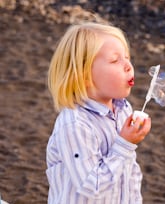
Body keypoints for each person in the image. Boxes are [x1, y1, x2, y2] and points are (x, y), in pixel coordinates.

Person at [46, 21, 151, 203]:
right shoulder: (75, 125)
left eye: (127, 57)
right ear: (84, 75)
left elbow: (129, 171)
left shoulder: (122, 109)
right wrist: (125, 144)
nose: (128, 66)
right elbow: (92, 186)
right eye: (114, 60)